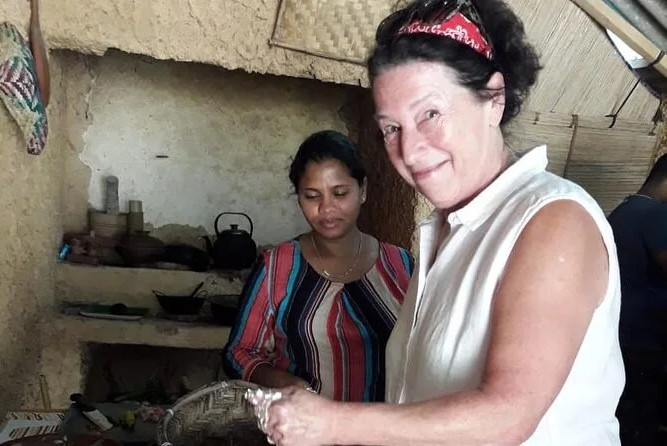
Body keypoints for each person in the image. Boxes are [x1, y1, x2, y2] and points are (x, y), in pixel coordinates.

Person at [256, 1, 625, 445]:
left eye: (430, 114)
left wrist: (333, 424)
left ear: (493, 99)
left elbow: (507, 415)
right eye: (391, 128)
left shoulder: (552, 220)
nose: (409, 151)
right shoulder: (447, 233)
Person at [222, 130, 414, 403]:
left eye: (340, 193)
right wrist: (283, 382)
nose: (327, 208)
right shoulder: (277, 267)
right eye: (312, 196)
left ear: (363, 190)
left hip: (383, 425)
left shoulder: (401, 266)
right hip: (302, 425)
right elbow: (239, 351)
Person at [608, 155, 667, 445]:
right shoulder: (655, 216)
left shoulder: (622, 211)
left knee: (624, 417)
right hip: (645, 341)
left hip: (619, 336)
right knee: (641, 422)